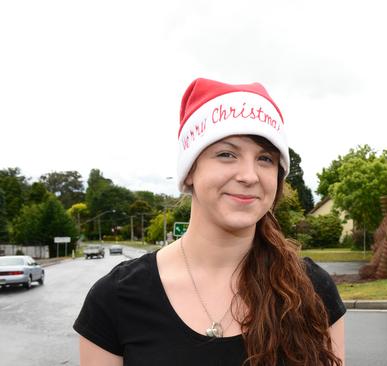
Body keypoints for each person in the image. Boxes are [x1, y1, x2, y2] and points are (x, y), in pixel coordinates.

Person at [74, 78, 346, 365]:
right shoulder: (115, 299)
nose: (249, 175)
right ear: (190, 170)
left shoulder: (311, 290)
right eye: (227, 154)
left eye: (265, 158)